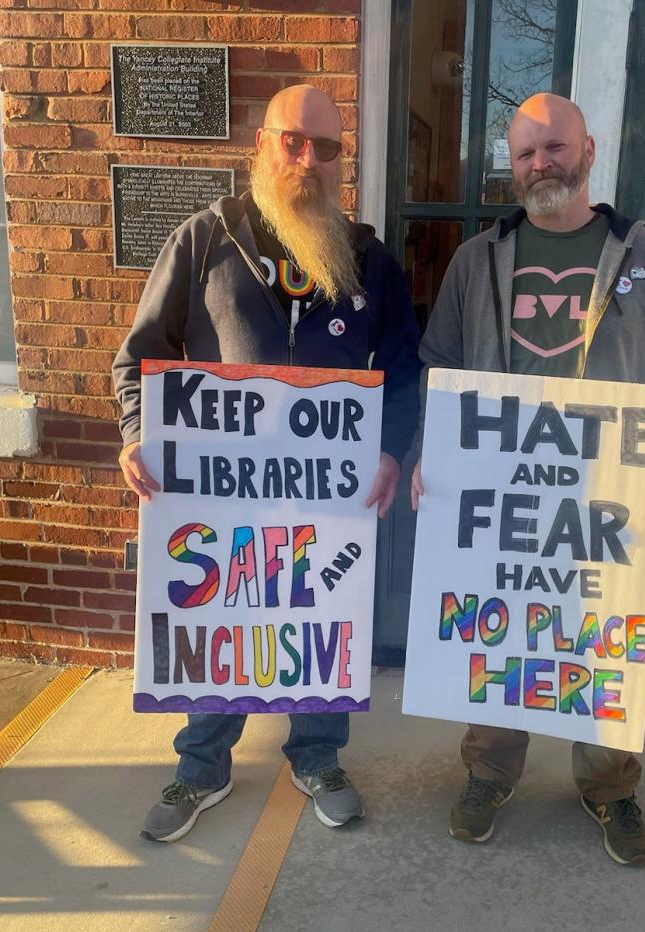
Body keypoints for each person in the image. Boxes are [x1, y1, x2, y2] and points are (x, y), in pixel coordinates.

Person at [412, 93, 645, 865]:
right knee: (502, 624)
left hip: (608, 495)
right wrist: (433, 449)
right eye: (525, 153)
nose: (541, 164)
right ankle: (489, 773)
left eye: (554, 148)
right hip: (502, 493)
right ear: (509, 166)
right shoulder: (477, 259)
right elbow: (440, 364)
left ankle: (610, 787)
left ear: (588, 150)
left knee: (600, 641)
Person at [112, 85, 421, 843]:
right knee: (222, 615)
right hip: (219, 496)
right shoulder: (203, 239)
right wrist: (134, 432)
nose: (307, 160)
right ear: (262, 142)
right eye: (293, 141)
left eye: (326, 148)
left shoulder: (368, 261)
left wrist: (388, 448)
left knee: (318, 616)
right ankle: (202, 766)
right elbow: (142, 354)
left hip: (327, 494)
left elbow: (407, 371)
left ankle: (317, 756)